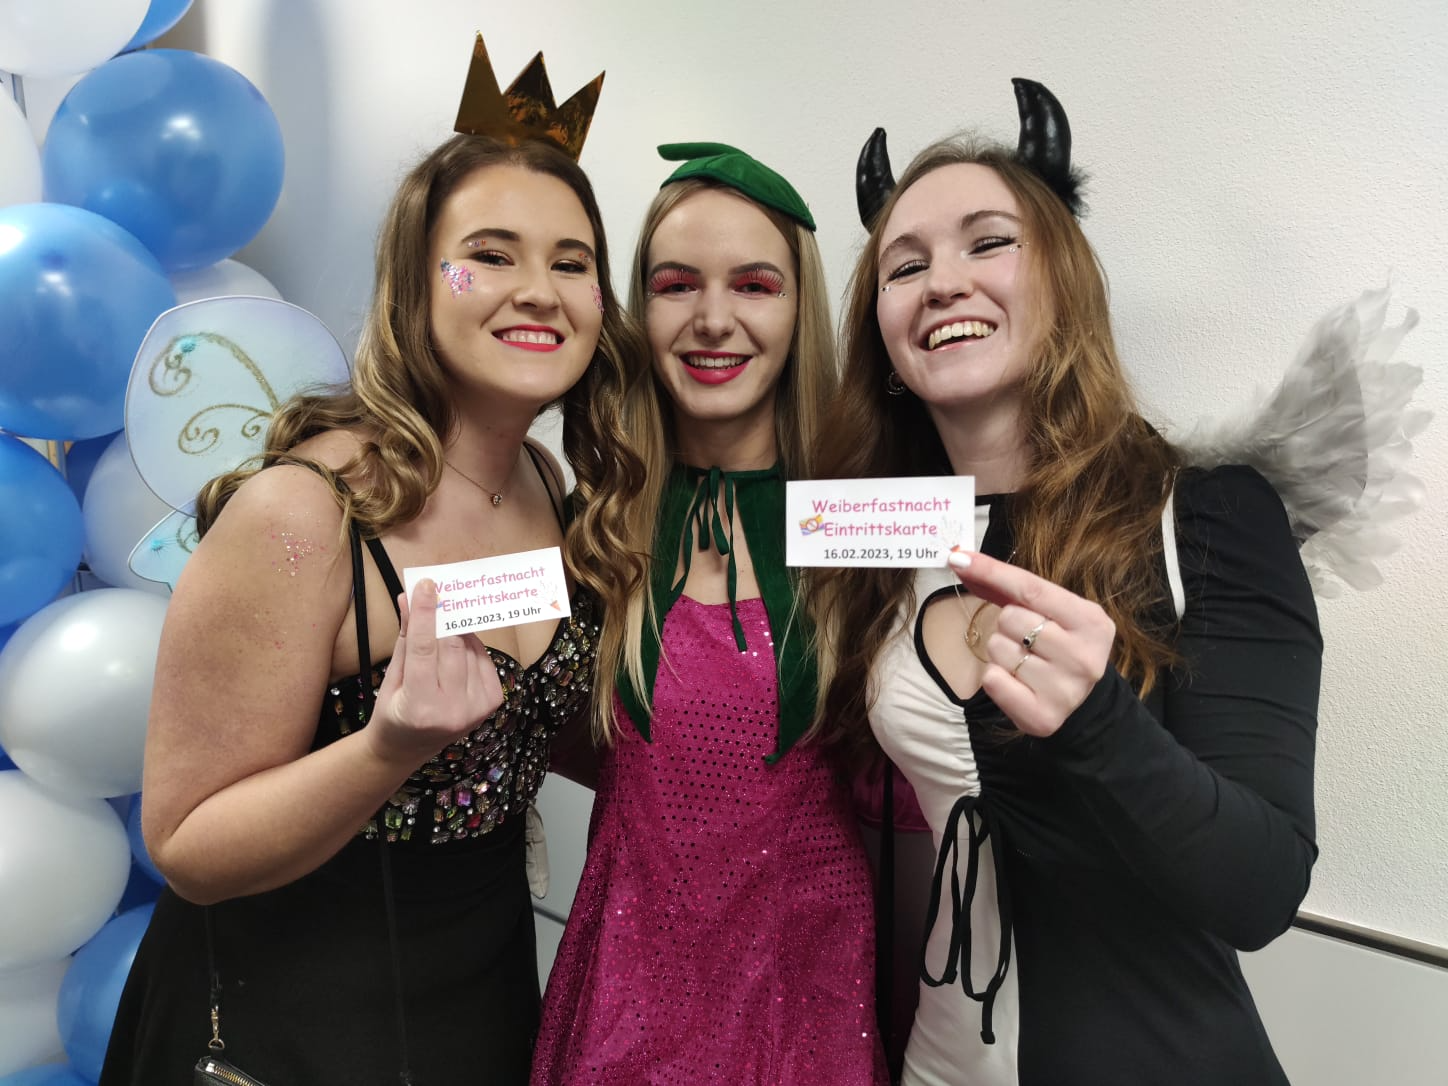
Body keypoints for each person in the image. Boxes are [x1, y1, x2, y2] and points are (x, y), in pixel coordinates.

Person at [100, 37, 639, 1086]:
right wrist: (386, 748)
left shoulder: (546, 485)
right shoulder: (305, 512)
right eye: (488, 255)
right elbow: (189, 845)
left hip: (477, 1000)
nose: (538, 290)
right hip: (284, 1023)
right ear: (416, 282)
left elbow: (538, 724)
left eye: (571, 263)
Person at [812, 81, 1322, 1085]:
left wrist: (1099, 722)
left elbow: (1261, 890)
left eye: (987, 243)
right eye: (904, 266)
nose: (941, 283)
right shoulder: (877, 539)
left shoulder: (1206, 516)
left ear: (1063, 281)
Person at [532, 143, 889, 1085]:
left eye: (755, 285)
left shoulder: (867, 524)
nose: (713, 319)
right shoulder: (594, 523)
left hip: (804, 989)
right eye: (677, 284)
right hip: (627, 989)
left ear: (801, 309)